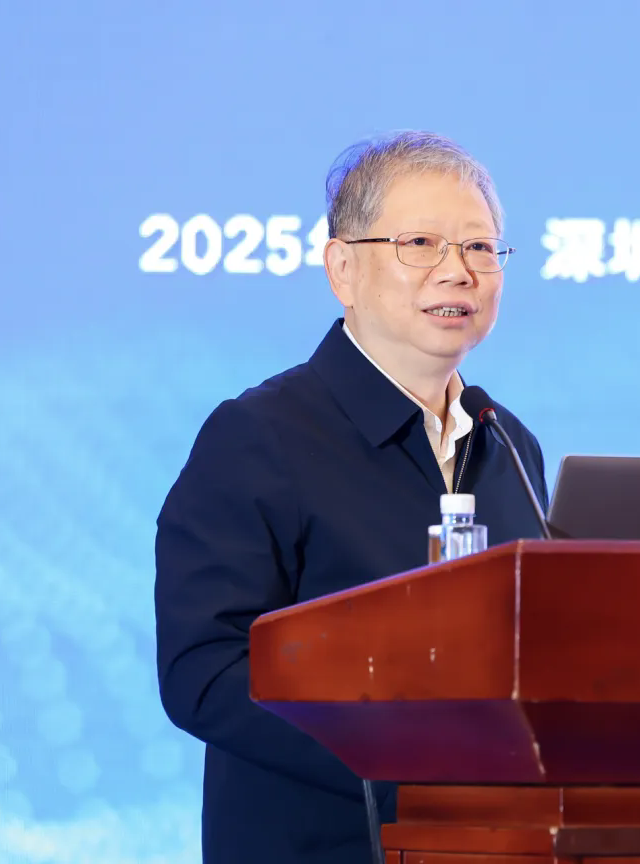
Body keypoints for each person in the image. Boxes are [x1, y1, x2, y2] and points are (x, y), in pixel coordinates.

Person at [153, 131, 549, 864]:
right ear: (342, 268)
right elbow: (203, 671)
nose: (458, 271)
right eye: (421, 244)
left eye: (480, 248)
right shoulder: (259, 437)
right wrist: (408, 761)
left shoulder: (508, 445)